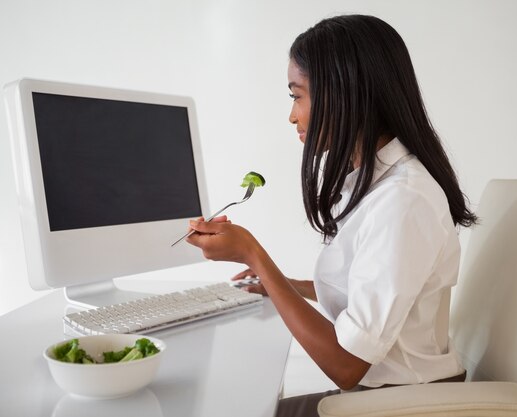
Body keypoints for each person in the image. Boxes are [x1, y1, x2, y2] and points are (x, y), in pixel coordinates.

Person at [186, 14, 477, 417]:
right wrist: (287, 285)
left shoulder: (403, 201)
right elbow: (372, 290)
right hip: (386, 394)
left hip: (405, 404)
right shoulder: (374, 181)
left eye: (297, 95)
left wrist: (256, 256)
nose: (292, 115)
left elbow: (346, 366)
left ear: (345, 93)